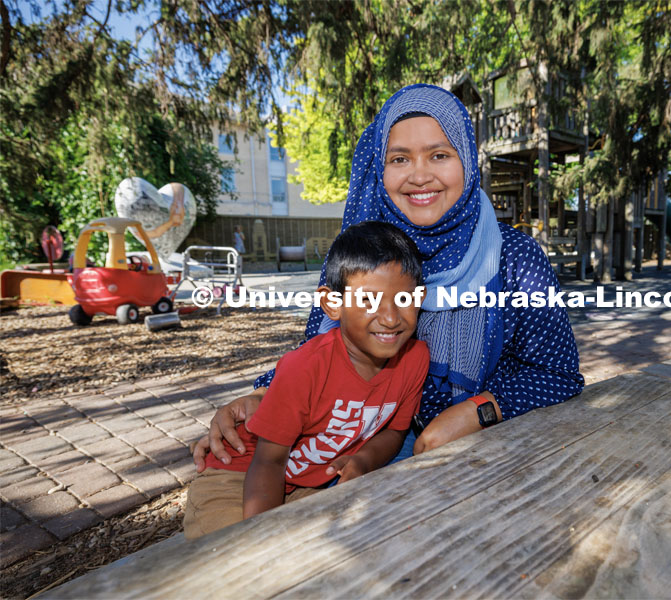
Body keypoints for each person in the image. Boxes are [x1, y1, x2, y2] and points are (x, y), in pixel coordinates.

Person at [192, 83, 584, 473]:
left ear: (467, 159)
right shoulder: (362, 252)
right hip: (372, 439)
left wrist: (478, 411)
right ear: (379, 168)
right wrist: (263, 395)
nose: (419, 175)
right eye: (399, 159)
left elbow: (558, 374)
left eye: (440, 155)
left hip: (491, 448)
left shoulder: (513, 257)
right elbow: (321, 348)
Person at [183, 221, 430, 538]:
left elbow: (396, 431)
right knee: (237, 559)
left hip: (308, 481)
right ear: (332, 304)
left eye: (404, 300)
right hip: (240, 476)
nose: (391, 317)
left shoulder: (415, 358)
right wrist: (262, 535)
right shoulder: (305, 367)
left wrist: (363, 460)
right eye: (368, 300)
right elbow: (268, 463)